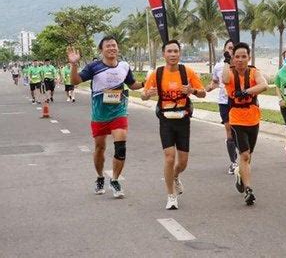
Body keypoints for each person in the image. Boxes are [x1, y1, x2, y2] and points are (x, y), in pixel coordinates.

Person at [67, 36, 144, 198]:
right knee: (100, 148)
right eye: (108, 46)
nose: (111, 48)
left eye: (114, 45)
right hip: (99, 115)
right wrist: (74, 64)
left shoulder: (124, 66)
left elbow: (132, 85)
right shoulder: (94, 67)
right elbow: (74, 81)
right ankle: (100, 177)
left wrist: (147, 83)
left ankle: (115, 180)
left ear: (118, 48)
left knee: (121, 146)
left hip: (119, 112)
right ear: (101, 50)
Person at [142, 39, 206, 210]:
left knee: (183, 162)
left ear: (180, 54)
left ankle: (176, 176)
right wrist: (148, 94)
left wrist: (191, 91)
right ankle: (171, 195)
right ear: (163, 54)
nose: (172, 54)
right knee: (169, 157)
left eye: (175, 51)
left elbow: (203, 94)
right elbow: (143, 96)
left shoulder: (188, 72)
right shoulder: (157, 74)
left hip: (183, 119)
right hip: (165, 120)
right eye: (169, 51)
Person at [222, 42, 268, 206]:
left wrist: (247, 91)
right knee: (245, 155)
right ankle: (249, 190)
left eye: (244, 56)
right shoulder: (230, 72)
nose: (240, 60)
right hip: (236, 118)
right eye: (237, 57)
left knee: (248, 156)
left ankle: (240, 175)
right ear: (233, 58)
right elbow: (224, 79)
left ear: (248, 58)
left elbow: (264, 85)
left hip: (253, 117)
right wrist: (227, 60)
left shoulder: (254, 72)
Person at [206, 39, 238, 174]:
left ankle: (243, 157)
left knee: (240, 132)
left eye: (234, 48)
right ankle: (234, 162)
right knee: (229, 131)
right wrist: (208, 88)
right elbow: (215, 82)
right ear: (225, 50)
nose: (231, 50)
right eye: (229, 48)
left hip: (239, 103)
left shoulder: (241, 65)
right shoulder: (219, 66)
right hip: (224, 102)